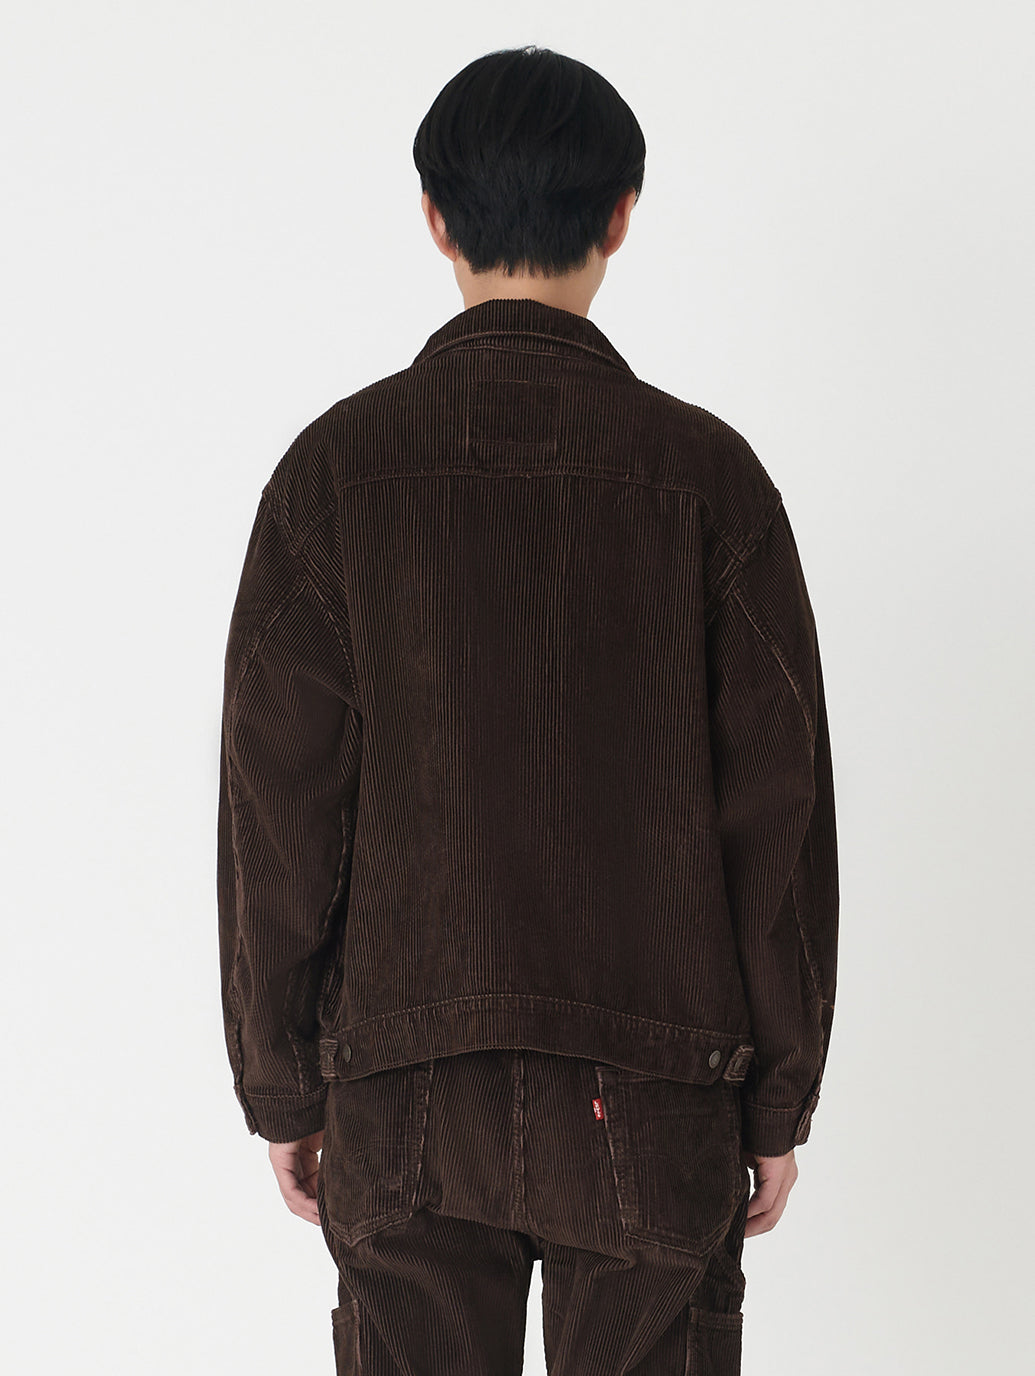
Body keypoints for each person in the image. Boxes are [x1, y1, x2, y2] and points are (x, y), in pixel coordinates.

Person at [216, 44, 838, 1375]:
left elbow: (281, 805)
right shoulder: (710, 481)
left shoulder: (333, 476)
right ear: (622, 214)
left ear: (434, 219)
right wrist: (776, 1098)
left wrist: (283, 1082)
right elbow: (775, 812)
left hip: (403, 1087)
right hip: (660, 1095)